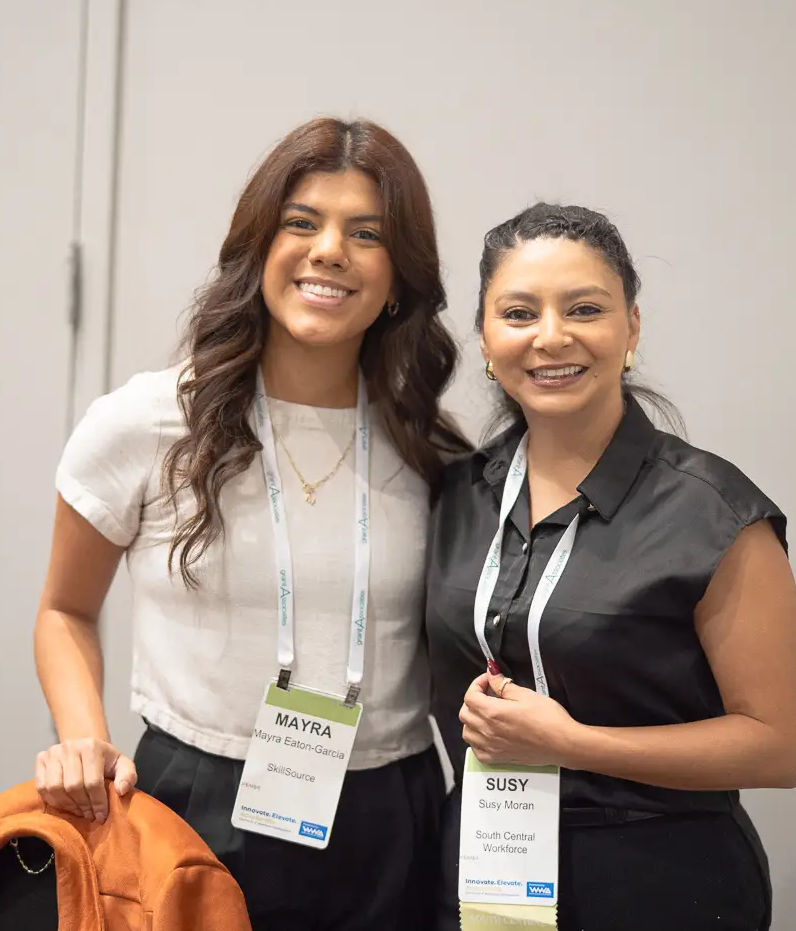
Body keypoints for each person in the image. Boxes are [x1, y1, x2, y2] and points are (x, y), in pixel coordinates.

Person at [31, 117, 469, 931]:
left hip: (391, 809)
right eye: (301, 222)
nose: (329, 250)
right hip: (196, 797)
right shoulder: (149, 421)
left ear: (399, 276)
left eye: (365, 233)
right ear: (258, 247)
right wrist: (85, 741)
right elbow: (63, 611)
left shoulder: (434, 451)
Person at [426, 204, 796, 930]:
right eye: (518, 312)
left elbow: (779, 747)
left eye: (584, 309)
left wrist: (570, 743)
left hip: (660, 882)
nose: (551, 336)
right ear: (484, 336)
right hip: (484, 871)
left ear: (631, 327)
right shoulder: (458, 494)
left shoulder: (712, 513)